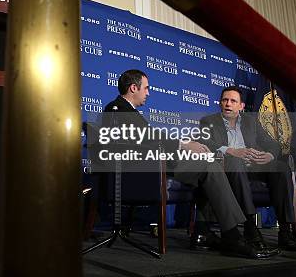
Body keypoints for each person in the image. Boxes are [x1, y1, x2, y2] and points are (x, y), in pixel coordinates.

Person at [100, 69, 275, 258]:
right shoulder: (116, 109)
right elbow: (144, 140)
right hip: (142, 171)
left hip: (156, 164)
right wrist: (184, 145)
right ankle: (232, 236)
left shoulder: (129, 111)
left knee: (208, 166)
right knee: (209, 167)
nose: (148, 93)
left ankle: (202, 232)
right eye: (146, 88)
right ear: (134, 88)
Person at [199, 86, 296, 251]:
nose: (228, 104)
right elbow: (206, 143)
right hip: (227, 167)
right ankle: (250, 226)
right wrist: (231, 150)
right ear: (220, 103)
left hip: (253, 166)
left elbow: (272, 144)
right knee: (235, 162)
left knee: (281, 168)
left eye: (233, 101)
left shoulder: (250, 122)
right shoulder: (208, 121)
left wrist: (269, 155)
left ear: (241, 106)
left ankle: (285, 230)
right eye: (225, 100)